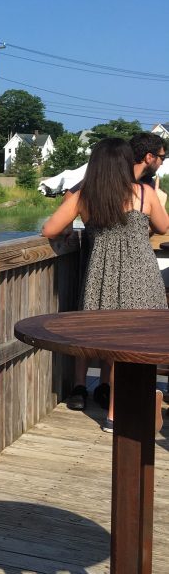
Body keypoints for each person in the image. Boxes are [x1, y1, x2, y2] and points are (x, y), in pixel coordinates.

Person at [42, 137, 169, 432]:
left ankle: (112, 413)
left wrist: (69, 235)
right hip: (142, 276)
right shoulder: (143, 193)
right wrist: (157, 201)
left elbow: (49, 228)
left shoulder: (85, 196)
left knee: (111, 344)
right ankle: (120, 410)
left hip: (102, 277)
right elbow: (163, 227)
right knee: (139, 344)